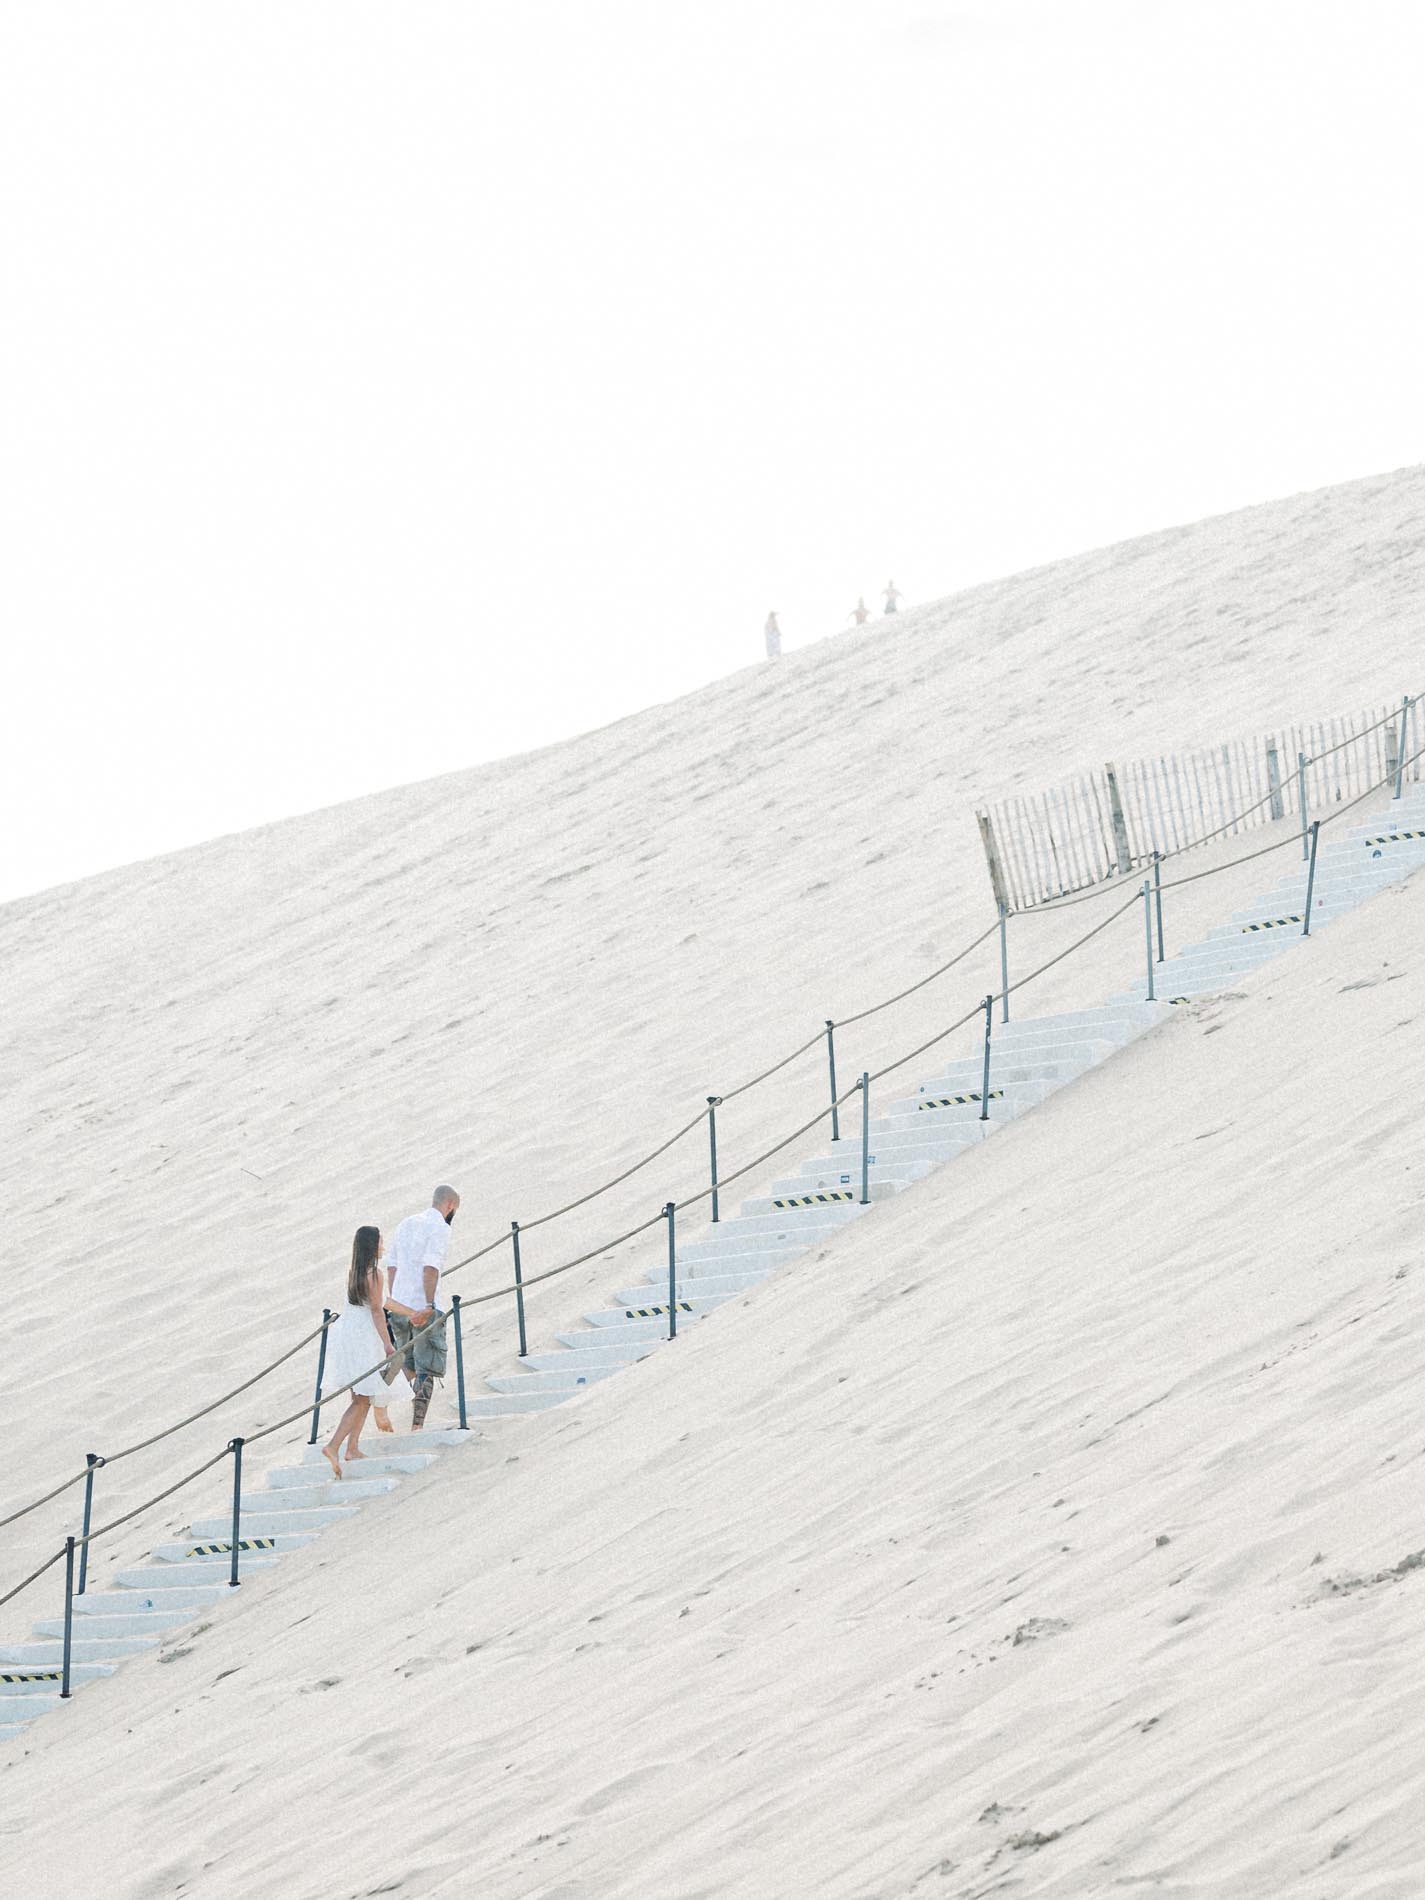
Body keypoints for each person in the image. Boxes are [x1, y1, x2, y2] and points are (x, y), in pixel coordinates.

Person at [320, 1226, 397, 1478]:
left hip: (347, 1335)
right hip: (364, 1336)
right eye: (380, 1240)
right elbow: (377, 1310)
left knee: (360, 1396)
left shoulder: (355, 1272)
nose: (383, 1243)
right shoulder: (374, 1273)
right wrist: (387, 1343)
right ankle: (334, 1446)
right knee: (363, 1397)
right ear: (372, 1244)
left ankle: (352, 1448)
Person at [386, 1184, 461, 1431]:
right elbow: (431, 1267)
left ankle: (414, 1396)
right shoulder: (440, 1227)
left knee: (408, 1362)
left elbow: (392, 1267)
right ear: (450, 1205)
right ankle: (417, 1425)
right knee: (427, 1364)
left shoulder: (406, 1223)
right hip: (423, 1305)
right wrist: (428, 1303)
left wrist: (396, 1300)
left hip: (399, 1305)